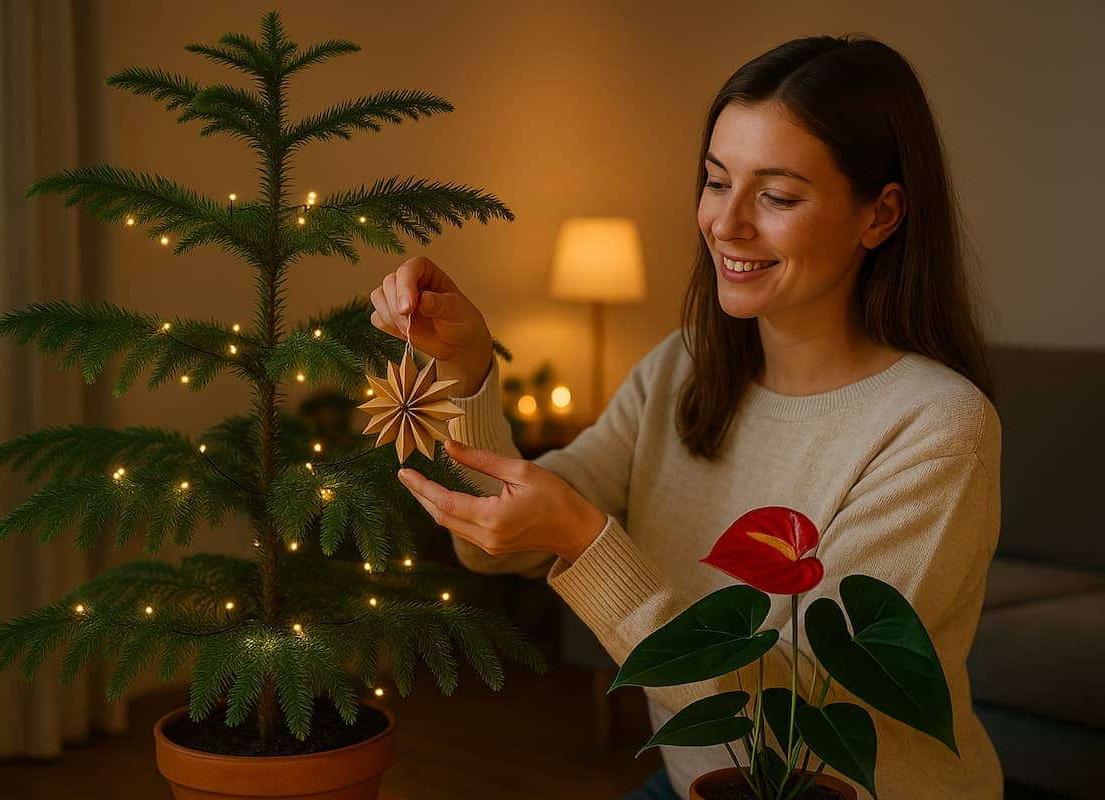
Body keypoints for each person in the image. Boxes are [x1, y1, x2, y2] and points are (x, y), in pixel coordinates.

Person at [369, 34, 1003, 800]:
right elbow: (494, 549)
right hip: (697, 783)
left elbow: (790, 711)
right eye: (716, 181)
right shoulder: (683, 368)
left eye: (777, 196)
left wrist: (585, 542)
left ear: (882, 214)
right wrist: (467, 368)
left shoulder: (938, 427)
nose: (726, 224)